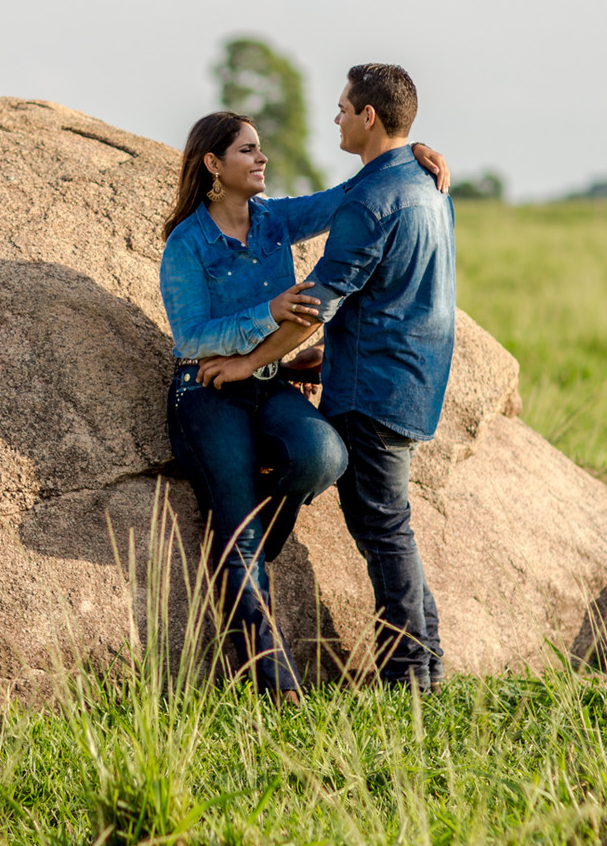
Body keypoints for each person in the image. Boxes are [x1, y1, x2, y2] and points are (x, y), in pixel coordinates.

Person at [161, 108, 450, 700]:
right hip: (208, 389)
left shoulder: (272, 220)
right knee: (236, 532)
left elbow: (350, 194)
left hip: (268, 384)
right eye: (247, 150)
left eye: (259, 148)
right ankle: (274, 682)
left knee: (324, 455)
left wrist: (409, 150)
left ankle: (252, 540)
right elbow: (191, 336)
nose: (261, 158)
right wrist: (265, 316)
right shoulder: (186, 243)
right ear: (213, 165)